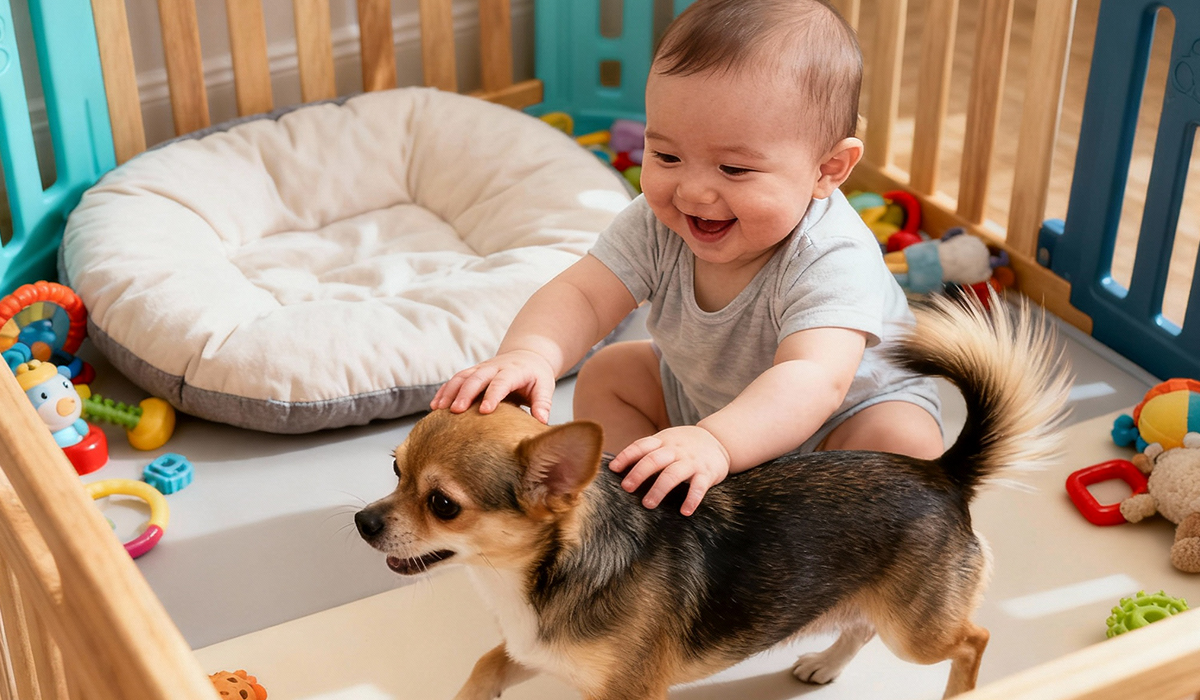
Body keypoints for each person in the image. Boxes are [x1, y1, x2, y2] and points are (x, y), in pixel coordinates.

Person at [431, 0, 943, 515]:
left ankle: (835, 566)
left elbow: (814, 379)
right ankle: (654, 515)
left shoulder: (832, 255)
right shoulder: (658, 222)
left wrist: (717, 442)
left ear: (827, 169)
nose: (694, 192)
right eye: (667, 157)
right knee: (609, 376)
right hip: (699, 403)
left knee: (903, 441)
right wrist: (531, 355)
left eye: (735, 169)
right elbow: (584, 294)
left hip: (839, 425)